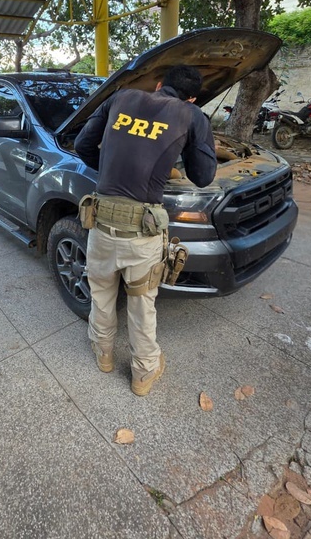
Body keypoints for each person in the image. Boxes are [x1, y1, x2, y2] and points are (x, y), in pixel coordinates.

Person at [74, 64, 217, 396]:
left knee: (102, 293)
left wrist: (112, 168)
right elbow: (204, 176)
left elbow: (83, 145)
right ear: (192, 98)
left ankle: (104, 354)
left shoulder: (120, 97)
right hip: (143, 234)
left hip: (101, 223)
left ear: (158, 85)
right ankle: (143, 374)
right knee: (141, 305)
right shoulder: (191, 115)